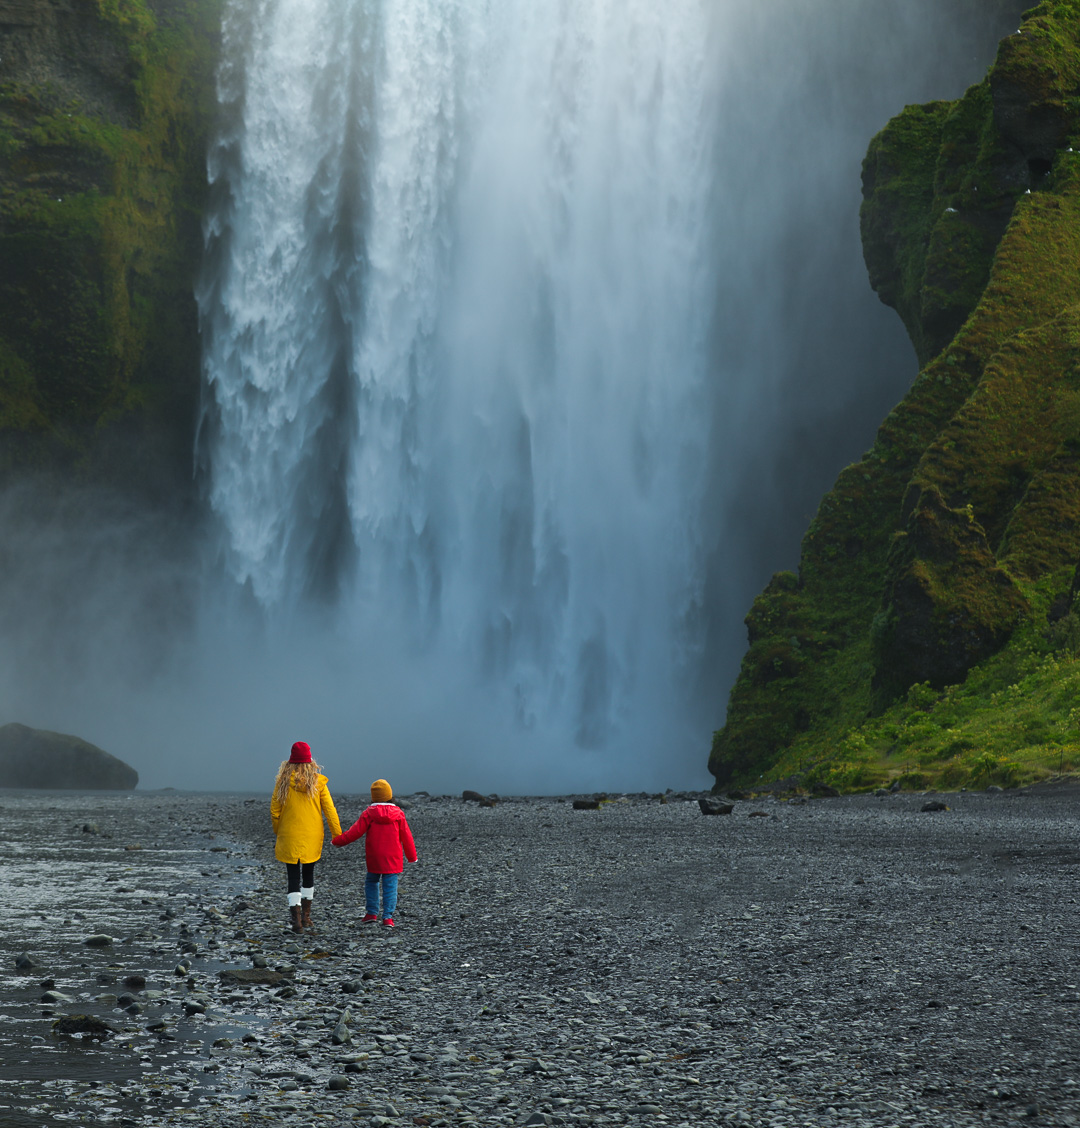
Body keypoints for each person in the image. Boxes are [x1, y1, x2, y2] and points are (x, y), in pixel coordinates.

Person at [270, 741, 342, 934]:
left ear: (290, 761)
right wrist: (337, 835)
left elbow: (275, 812)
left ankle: (296, 922)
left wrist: (279, 831)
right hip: (312, 835)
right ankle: (307, 917)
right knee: (308, 874)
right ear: (310, 761)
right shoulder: (318, 783)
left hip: (289, 834)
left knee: (293, 876)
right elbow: (330, 810)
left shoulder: (283, 782)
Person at [332, 778, 417, 928]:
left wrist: (338, 841)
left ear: (374, 797)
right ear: (390, 795)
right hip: (393, 858)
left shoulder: (369, 813)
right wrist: (412, 857)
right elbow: (407, 836)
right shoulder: (398, 814)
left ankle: (371, 913)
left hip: (374, 857)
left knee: (372, 882)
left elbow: (355, 832)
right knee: (390, 886)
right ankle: (388, 918)